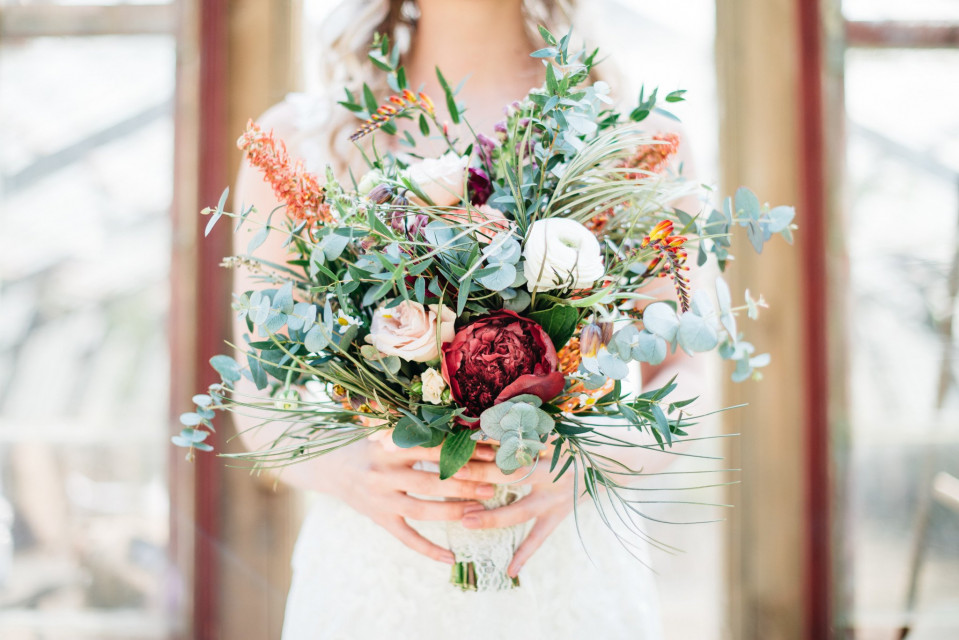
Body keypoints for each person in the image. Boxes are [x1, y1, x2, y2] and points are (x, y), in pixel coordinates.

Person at [233, 1, 701, 637]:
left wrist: (597, 465)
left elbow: (691, 369)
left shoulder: (637, 142)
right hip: (375, 580)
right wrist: (349, 470)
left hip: (569, 569)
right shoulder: (295, 143)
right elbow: (258, 392)